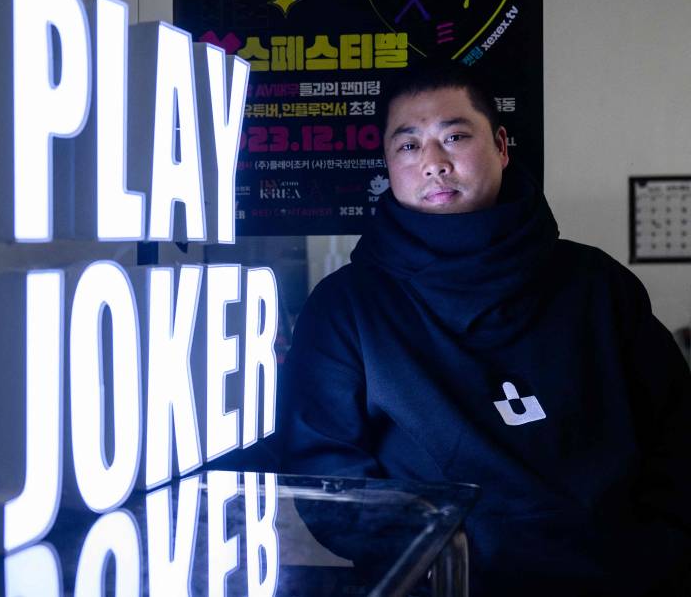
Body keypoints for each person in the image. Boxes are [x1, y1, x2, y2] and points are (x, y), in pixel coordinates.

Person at [279, 63, 691, 595]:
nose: (433, 163)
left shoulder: (597, 284)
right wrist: (433, 566)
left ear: (500, 145)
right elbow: (328, 483)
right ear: (387, 161)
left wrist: (652, 558)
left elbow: (678, 438)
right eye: (408, 146)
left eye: (454, 136)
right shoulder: (346, 308)